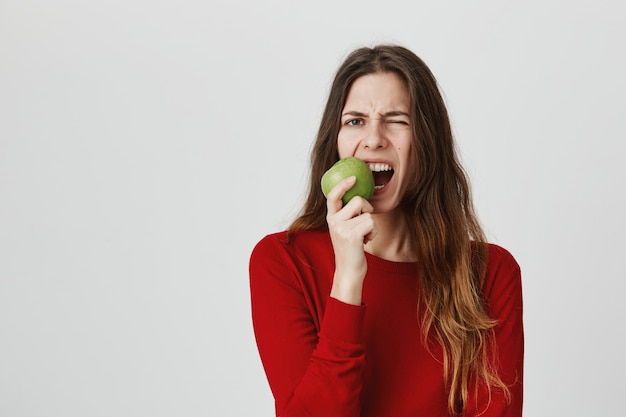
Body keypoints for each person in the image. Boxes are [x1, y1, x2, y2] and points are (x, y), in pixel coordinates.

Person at [249, 44, 523, 417]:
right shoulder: (282, 262)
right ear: (337, 142)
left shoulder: (491, 273)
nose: (374, 138)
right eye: (355, 121)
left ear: (427, 141)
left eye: (397, 120)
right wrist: (347, 279)